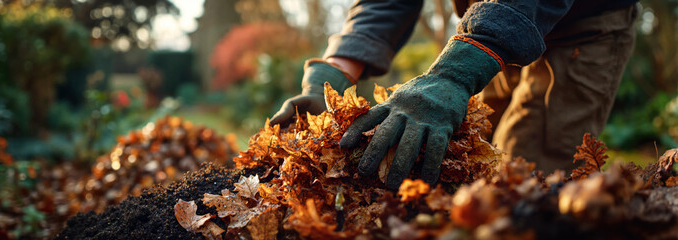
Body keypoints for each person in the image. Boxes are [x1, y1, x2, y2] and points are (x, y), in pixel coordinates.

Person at [270, 0, 639, 190]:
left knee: (527, 176)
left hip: (581, 28)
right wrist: (335, 70)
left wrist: (455, 73)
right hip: (490, 26)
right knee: (467, 158)